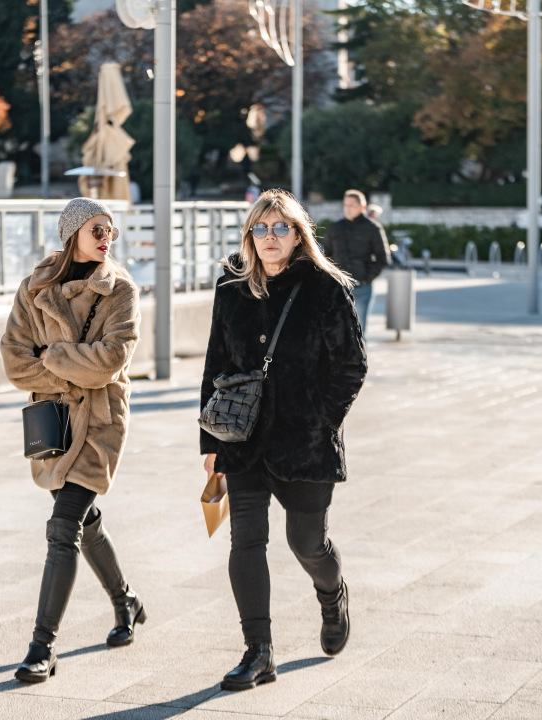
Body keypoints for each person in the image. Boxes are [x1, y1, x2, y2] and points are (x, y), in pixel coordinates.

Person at [201, 190, 367, 692]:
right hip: (243, 437)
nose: (270, 238)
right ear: (249, 234)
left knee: (306, 543)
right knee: (245, 541)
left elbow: (352, 366)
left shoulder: (325, 287)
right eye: (260, 228)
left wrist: (320, 422)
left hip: (305, 442)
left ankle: (331, 592)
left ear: (298, 235)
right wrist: (207, 443)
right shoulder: (231, 285)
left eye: (280, 228)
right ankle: (258, 652)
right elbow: (216, 365)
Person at [1, 197, 143, 683]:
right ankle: (126, 600)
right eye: (97, 229)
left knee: (63, 527)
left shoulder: (120, 290)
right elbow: (15, 360)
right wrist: (71, 365)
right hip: (56, 421)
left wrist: (53, 355)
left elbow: (111, 359)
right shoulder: (35, 286)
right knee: (85, 518)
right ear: (72, 234)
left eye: (111, 231)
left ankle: (42, 647)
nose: (106, 238)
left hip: (101, 422)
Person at [323, 190, 390, 339]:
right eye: (345, 205)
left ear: (362, 206)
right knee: (335, 333)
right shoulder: (335, 228)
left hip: (362, 289)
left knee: (358, 334)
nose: (347, 208)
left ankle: (359, 362)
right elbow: (324, 256)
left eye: (352, 205)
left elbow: (383, 258)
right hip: (336, 289)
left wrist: (367, 278)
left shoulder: (373, 228)